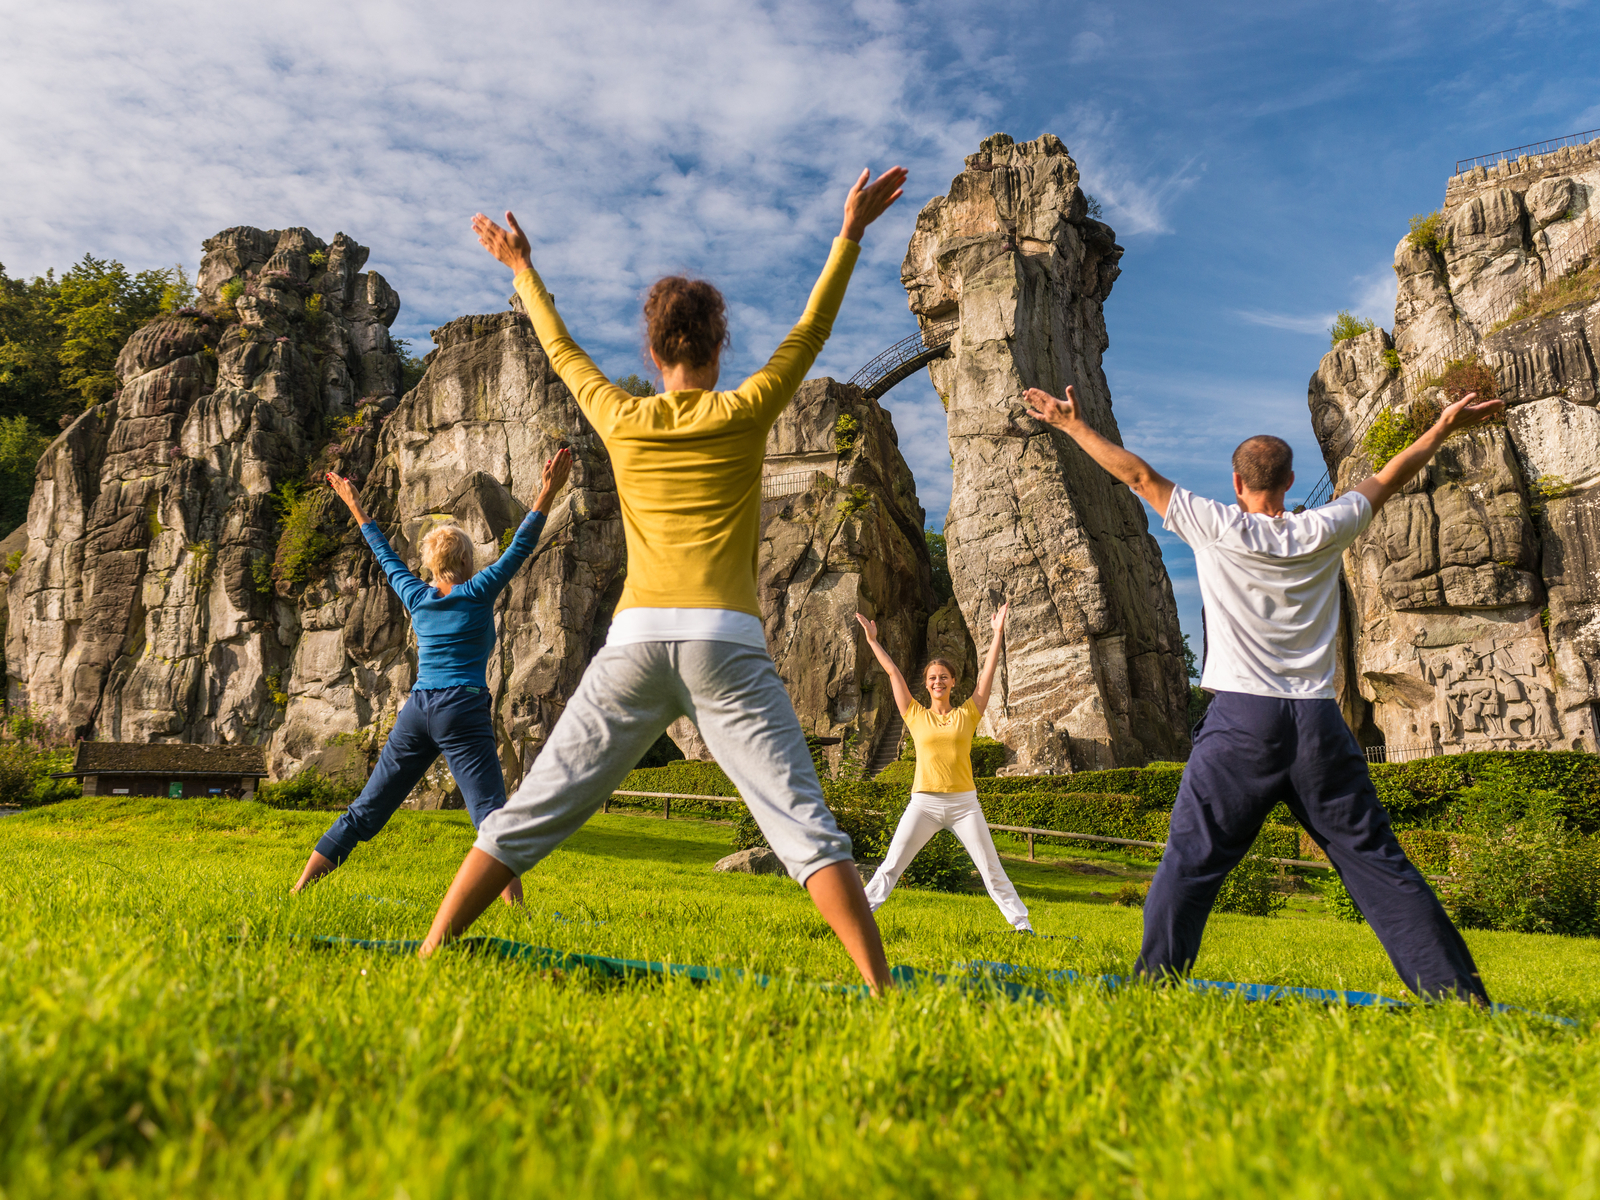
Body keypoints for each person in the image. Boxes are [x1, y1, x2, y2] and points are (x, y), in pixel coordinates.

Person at [416, 166, 910, 993]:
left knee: (531, 812)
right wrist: (849, 234)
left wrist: (521, 268)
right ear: (718, 349)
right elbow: (810, 331)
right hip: (727, 643)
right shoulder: (746, 409)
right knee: (805, 829)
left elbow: (561, 350)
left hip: (637, 642)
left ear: (653, 352)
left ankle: (432, 951)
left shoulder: (620, 415)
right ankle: (880, 989)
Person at [1023, 381, 1501, 1004]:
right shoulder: (1326, 526)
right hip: (1318, 725)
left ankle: (1153, 989)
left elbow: (1138, 475)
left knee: (1191, 862)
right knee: (1378, 863)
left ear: (1236, 482)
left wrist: (1072, 425)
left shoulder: (1216, 525)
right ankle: (1458, 998)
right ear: (1290, 480)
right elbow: (1389, 476)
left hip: (1242, 722)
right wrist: (1443, 426)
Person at [290, 448, 572, 900]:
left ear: (431, 565)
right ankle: (518, 915)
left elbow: (383, 552)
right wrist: (548, 491)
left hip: (418, 711)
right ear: (466, 562)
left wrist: (355, 504)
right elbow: (521, 545)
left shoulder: (416, 595)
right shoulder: (479, 590)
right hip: (462, 707)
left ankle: (299, 890)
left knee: (366, 811)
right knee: (492, 819)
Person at [854, 606, 1033, 932]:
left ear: (952, 682)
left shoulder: (968, 713)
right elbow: (893, 673)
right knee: (891, 866)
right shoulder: (914, 713)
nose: (938, 681)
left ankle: (1022, 925)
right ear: (926, 684)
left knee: (992, 869)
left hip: (965, 805)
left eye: (943, 677)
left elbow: (987, 676)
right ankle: (858, 918)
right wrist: (872, 641)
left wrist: (997, 634)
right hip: (923, 804)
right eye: (932, 678)